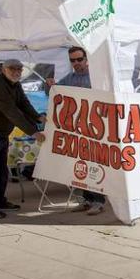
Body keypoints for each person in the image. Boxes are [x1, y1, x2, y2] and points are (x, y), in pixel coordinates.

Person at [0, 59, 46, 219]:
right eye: (12, 69)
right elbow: (12, 112)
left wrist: (38, 117)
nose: (16, 72)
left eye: (19, 69)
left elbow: (24, 104)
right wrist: (33, 132)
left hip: (0, 132)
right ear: (3, 69)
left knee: (1, 170)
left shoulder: (15, 85)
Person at [45, 46, 107, 215]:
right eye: (73, 60)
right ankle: (87, 199)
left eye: (79, 59)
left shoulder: (96, 77)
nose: (77, 63)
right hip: (76, 131)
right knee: (80, 167)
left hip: (95, 130)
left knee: (94, 166)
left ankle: (99, 201)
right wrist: (50, 85)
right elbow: (53, 93)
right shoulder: (69, 78)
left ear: (86, 59)